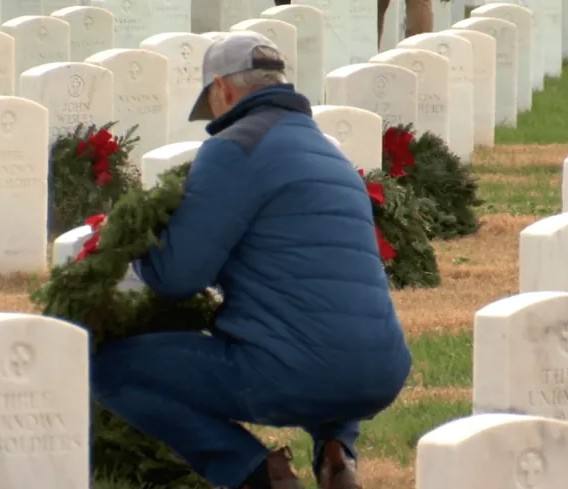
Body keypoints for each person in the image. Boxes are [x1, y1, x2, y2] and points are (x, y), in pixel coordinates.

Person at [91, 32, 411, 489]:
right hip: (380, 371)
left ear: (224, 90)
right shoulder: (332, 155)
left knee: (107, 369)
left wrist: (132, 244)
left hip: (291, 374)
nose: (214, 119)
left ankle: (258, 473)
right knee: (326, 328)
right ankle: (336, 452)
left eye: (212, 105)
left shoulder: (233, 148)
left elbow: (179, 276)